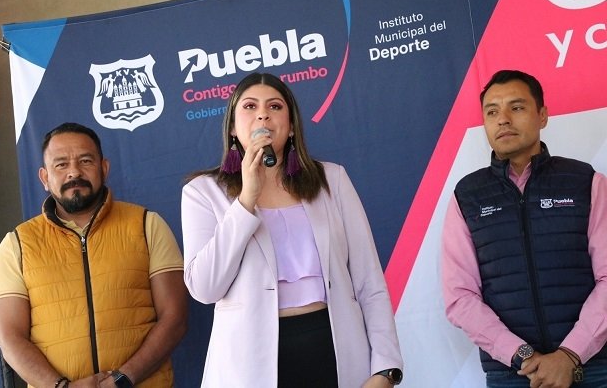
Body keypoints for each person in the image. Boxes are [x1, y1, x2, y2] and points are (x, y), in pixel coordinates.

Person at [181, 72, 403, 388]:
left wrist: (386, 369)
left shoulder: (332, 180)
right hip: (248, 368)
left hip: (336, 355)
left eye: (275, 106)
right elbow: (205, 288)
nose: (262, 115)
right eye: (249, 106)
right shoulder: (203, 192)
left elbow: (370, 282)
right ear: (232, 128)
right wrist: (246, 200)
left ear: (292, 126)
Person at [441, 70, 607, 387]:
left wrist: (570, 354)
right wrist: (523, 356)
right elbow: (460, 296)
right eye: (492, 112)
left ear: (542, 115)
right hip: (513, 374)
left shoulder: (586, 182)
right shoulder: (467, 196)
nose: (503, 119)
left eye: (516, 107)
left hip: (593, 368)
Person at [0, 122, 188, 388]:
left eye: (85, 161)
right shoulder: (17, 245)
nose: (74, 172)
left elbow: (175, 318)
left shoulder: (147, 225)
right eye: (61, 164)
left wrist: (123, 379)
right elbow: (10, 339)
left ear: (104, 168)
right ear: (45, 178)